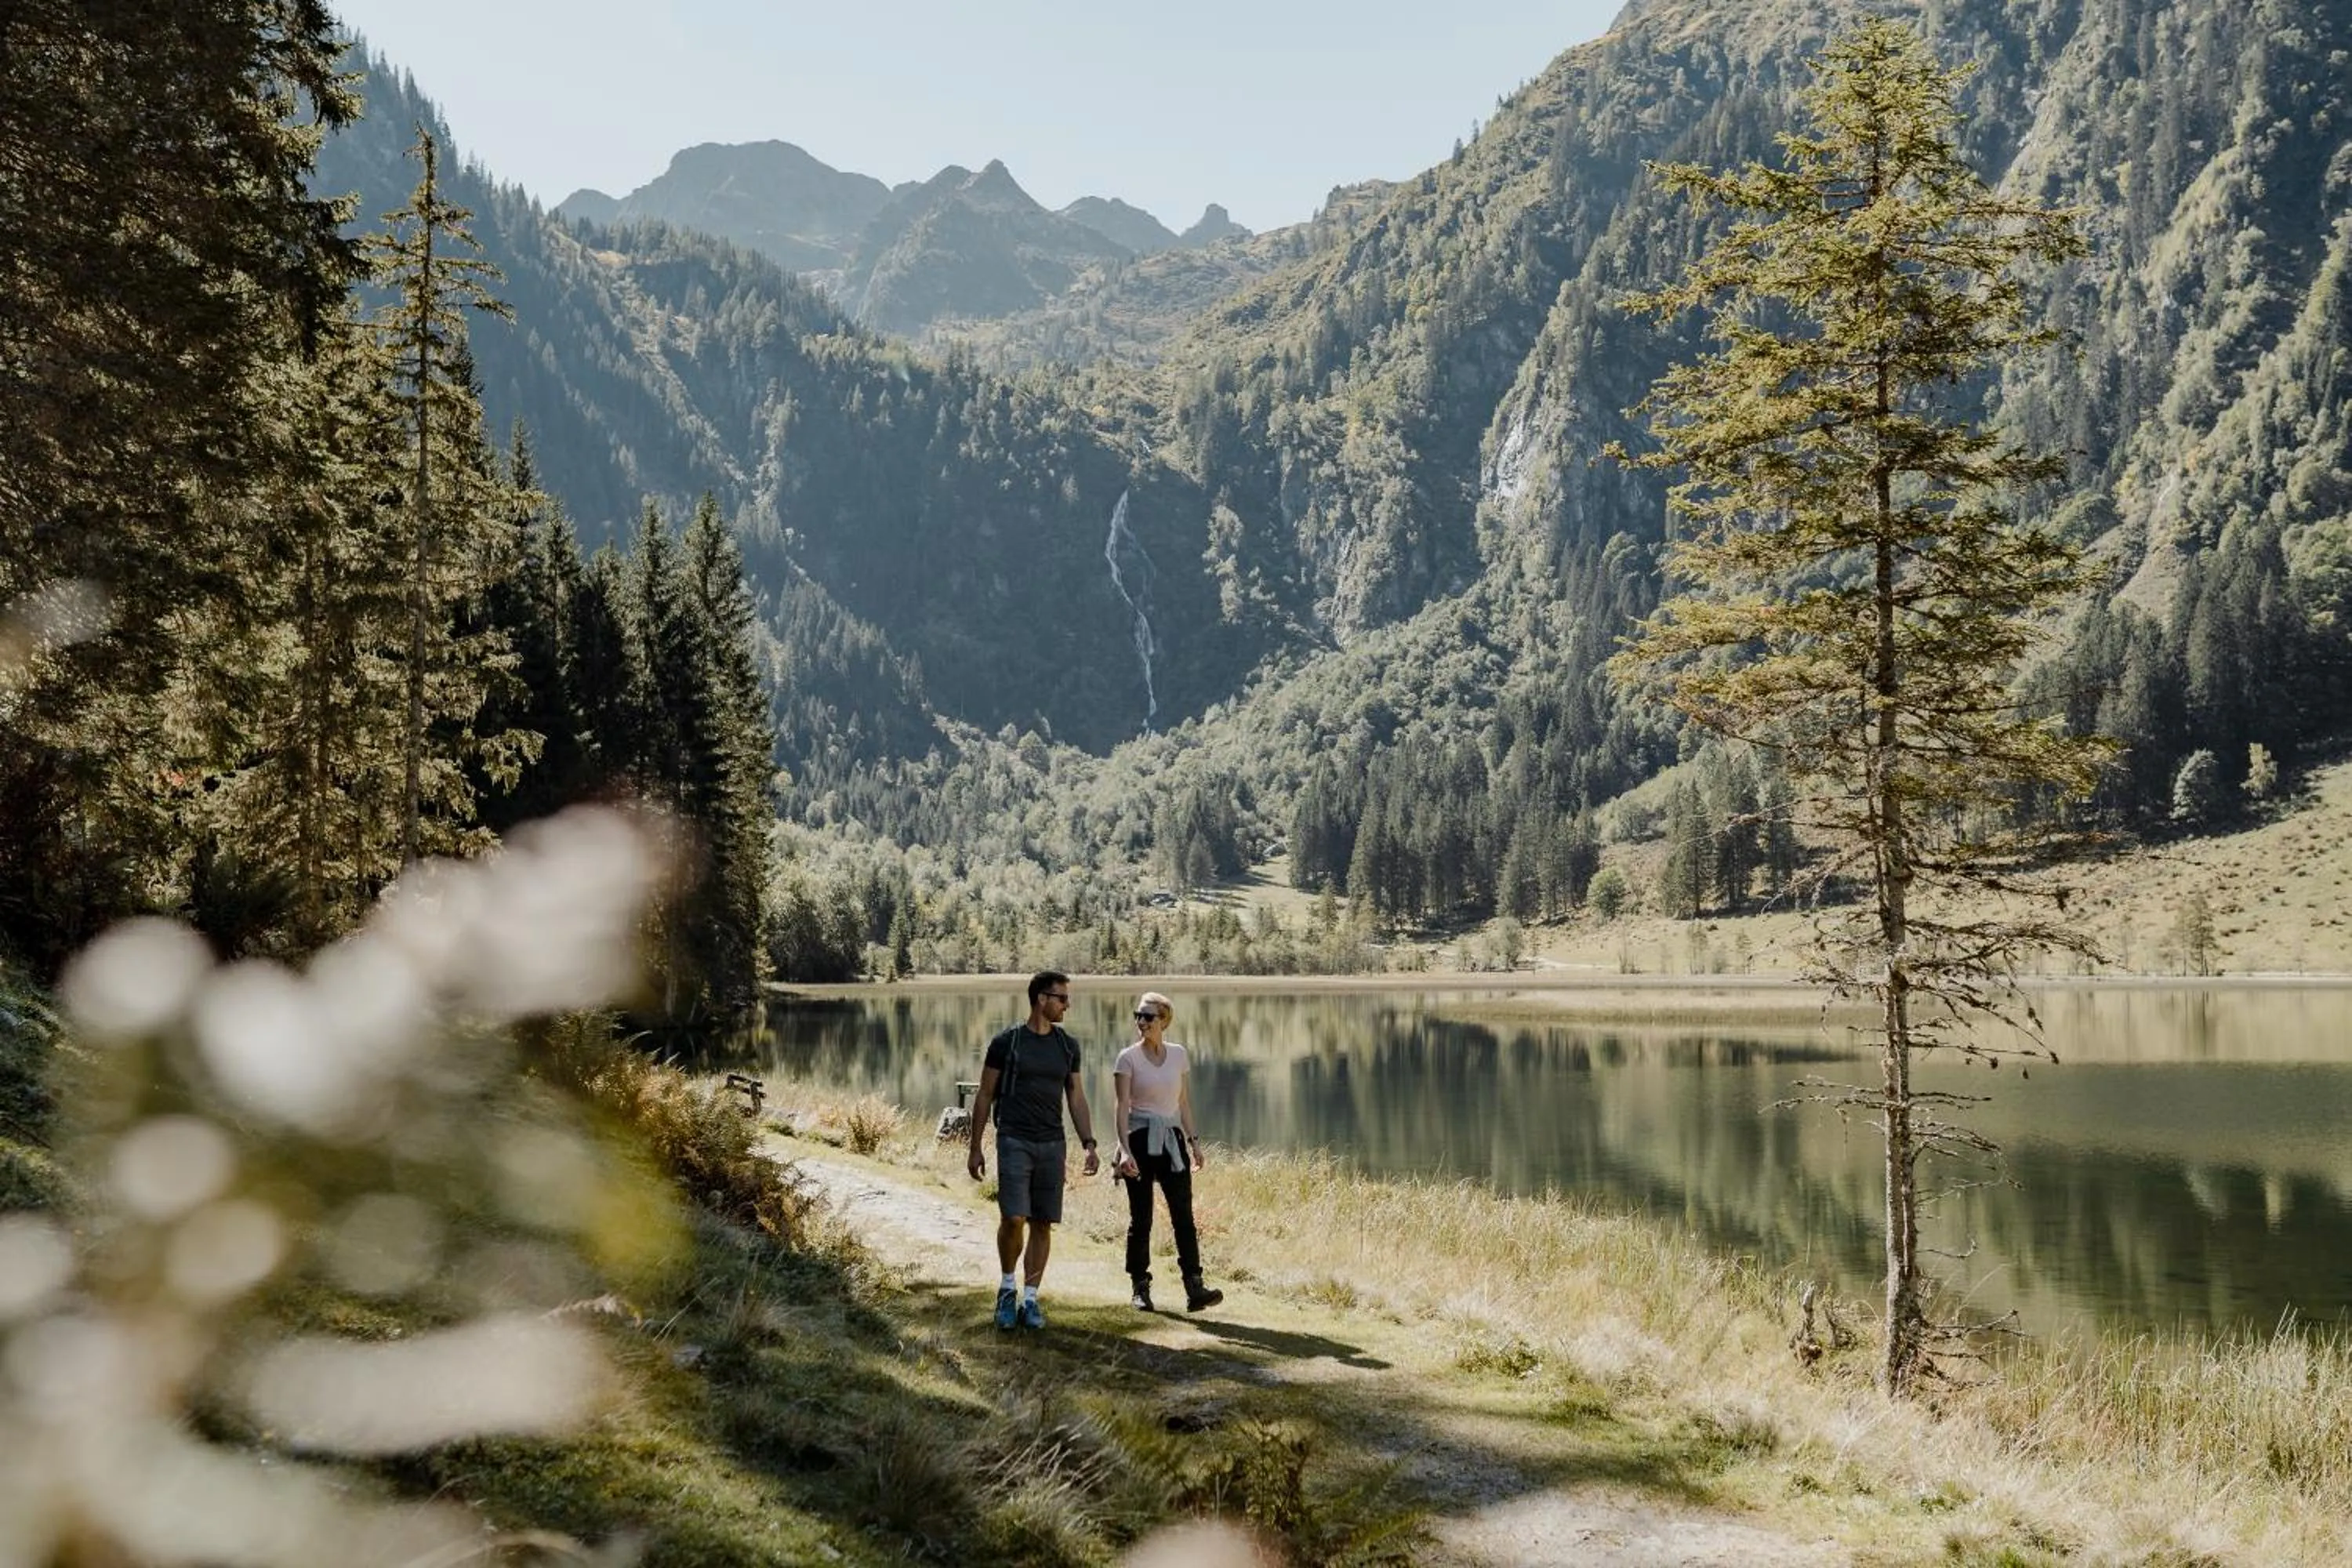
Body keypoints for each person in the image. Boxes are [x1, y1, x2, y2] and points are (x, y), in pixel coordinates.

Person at [967, 970, 1100, 1330]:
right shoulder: (1006, 1043)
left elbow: (1076, 1096)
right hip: (1013, 1138)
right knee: (1013, 1217)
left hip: (1052, 1143)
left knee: (1043, 1222)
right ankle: (1007, 1289)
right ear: (1042, 999)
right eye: (1062, 998)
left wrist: (1089, 1142)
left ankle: (1031, 1299)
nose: (1067, 1005)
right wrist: (975, 1146)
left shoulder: (1067, 1046)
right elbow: (984, 1095)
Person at [1112, 991, 1223, 1314]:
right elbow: (1120, 1108)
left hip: (1172, 1140)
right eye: (1138, 1016)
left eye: (1149, 1017)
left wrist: (1195, 1142)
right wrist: (1123, 1151)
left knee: (1183, 1217)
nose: (1141, 1022)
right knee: (1141, 1217)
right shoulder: (1127, 1058)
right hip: (1139, 1138)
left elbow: (1183, 1103)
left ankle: (1195, 1287)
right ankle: (1140, 1287)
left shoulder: (1178, 1055)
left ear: (1165, 1021)